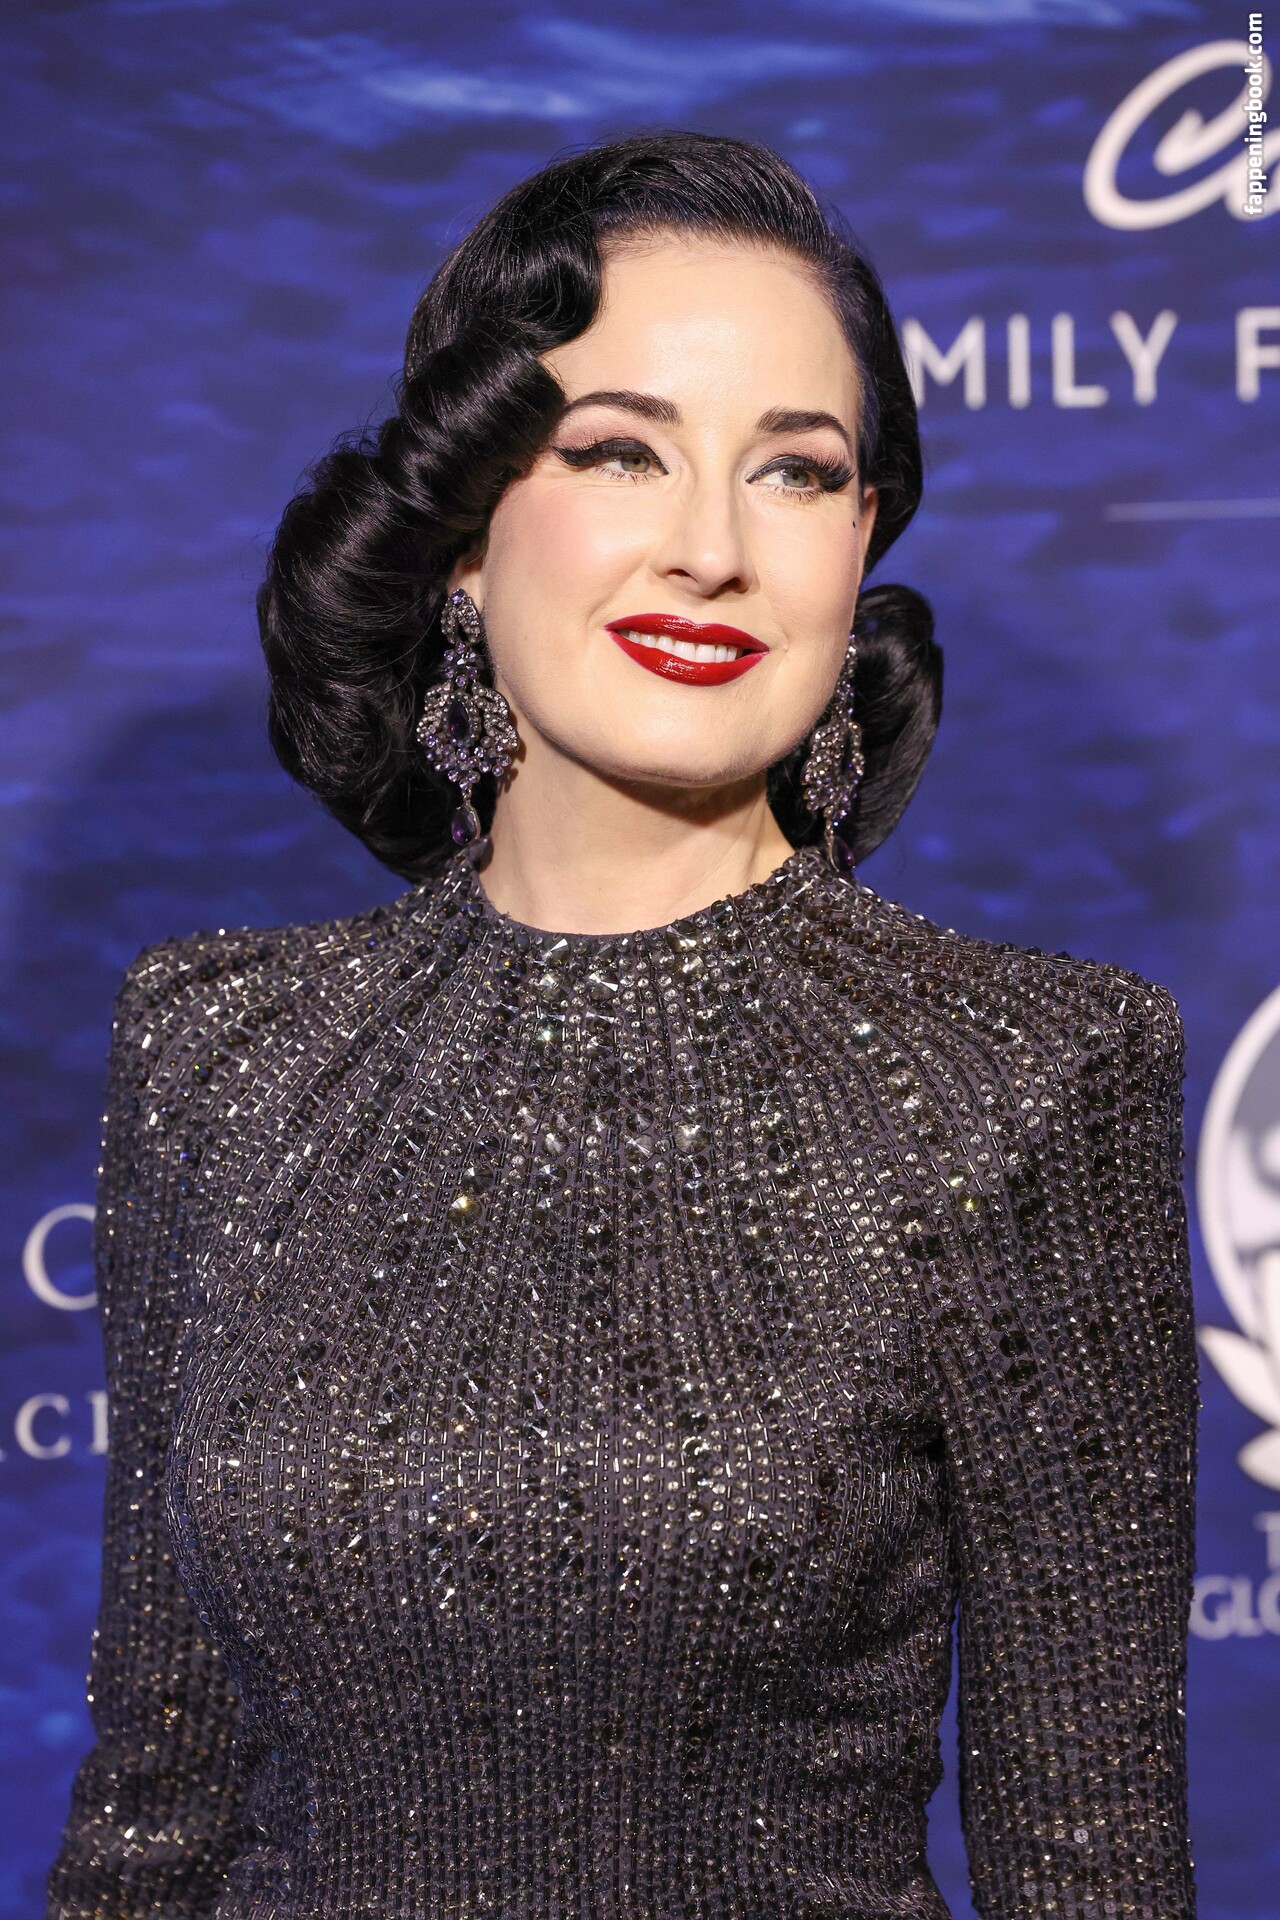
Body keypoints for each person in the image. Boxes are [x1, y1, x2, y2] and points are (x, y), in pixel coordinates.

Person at [46, 132, 1199, 1920]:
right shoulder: (222, 1054)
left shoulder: (1032, 1078)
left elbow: (1091, 1864)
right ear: (458, 535)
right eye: (618, 450)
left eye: (796, 472)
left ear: (859, 546)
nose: (713, 549)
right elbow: (156, 1799)